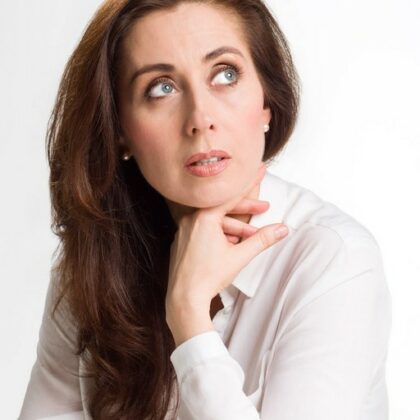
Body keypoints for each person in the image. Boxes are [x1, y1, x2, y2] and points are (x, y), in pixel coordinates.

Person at [18, 0, 392, 419]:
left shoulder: (334, 260)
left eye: (225, 74)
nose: (200, 118)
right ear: (120, 130)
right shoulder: (93, 266)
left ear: (267, 101)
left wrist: (189, 315)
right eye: (161, 88)